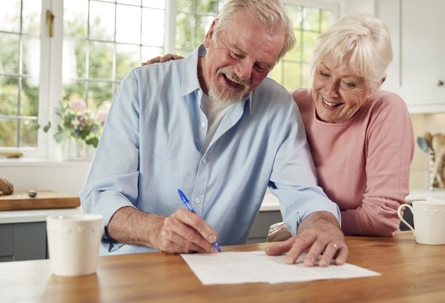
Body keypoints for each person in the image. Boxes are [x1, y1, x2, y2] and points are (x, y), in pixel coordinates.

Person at [80, 0, 348, 268]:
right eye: (236, 52)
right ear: (211, 34)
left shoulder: (278, 107)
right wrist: (156, 230)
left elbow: (302, 193)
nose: (244, 73)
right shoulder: (143, 86)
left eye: (261, 67)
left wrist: (324, 224)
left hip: (220, 277)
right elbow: (100, 197)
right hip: (131, 272)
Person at [143, 12, 415, 239]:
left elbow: (381, 217)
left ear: (375, 86)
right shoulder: (295, 103)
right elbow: (235, 87)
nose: (330, 92)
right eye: (323, 73)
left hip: (365, 249)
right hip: (311, 242)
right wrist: (194, 70)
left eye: (349, 83)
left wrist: (306, 222)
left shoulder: (386, 110)